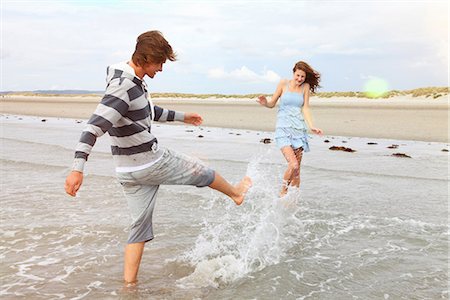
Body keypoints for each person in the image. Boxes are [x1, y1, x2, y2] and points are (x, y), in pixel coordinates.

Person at [64, 30, 252, 285]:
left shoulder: (131, 82)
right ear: (145, 58)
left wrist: (184, 116)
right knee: (200, 170)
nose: (162, 68)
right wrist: (77, 169)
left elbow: (148, 111)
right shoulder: (123, 87)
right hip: (149, 161)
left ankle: (129, 285)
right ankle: (236, 194)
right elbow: (92, 127)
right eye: (159, 62)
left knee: (139, 227)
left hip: (127, 171)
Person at [257, 61, 322, 196]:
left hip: (299, 130)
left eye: (302, 77)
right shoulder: (283, 84)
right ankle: (283, 192)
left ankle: (292, 203)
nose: (299, 79)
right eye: (298, 75)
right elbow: (272, 104)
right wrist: (265, 103)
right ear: (293, 73)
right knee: (293, 165)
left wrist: (311, 126)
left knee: (297, 172)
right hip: (283, 130)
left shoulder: (305, 87)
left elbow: (305, 108)